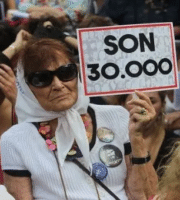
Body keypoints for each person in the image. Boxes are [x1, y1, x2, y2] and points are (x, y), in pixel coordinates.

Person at [1, 38, 157, 199]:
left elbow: (144, 195)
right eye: (42, 79)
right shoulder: (15, 141)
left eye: (65, 73)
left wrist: (137, 139)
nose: (58, 85)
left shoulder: (117, 116)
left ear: (77, 73)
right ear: (27, 88)